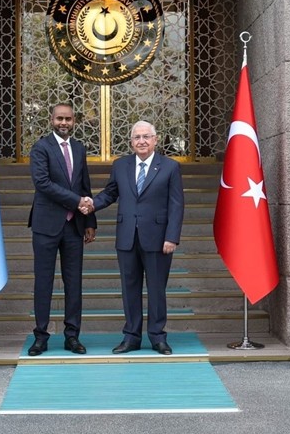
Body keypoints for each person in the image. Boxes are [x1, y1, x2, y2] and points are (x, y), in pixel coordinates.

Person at [82, 120, 184, 355]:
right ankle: (131, 337)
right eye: (137, 137)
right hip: (127, 237)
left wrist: (172, 237)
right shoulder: (121, 166)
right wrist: (91, 205)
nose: (142, 141)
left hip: (159, 239)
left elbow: (176, 205)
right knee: (130, 289)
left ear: (155, 140)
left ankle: (158, 337)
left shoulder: (169, 167)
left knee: (157, 289)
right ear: (131, 142)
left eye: (146, 136)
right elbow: (110, 193)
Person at [27, 102, 97, 356]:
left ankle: (72, 336)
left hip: (74, 226)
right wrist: (76, 202)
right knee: (43, 282)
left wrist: (90, 221)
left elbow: (84, 185)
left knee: (74, 282)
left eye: (68, 119)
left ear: (74, 120)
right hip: (46, 226)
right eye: (59, 119)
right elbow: (43, 183)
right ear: (51, 120)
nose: (63, 123)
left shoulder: (79, 148)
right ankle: (41, 336)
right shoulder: (41, 148)